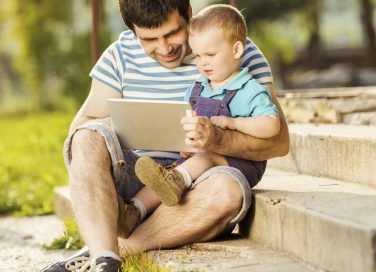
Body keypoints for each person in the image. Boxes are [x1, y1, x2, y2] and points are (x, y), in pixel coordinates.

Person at [40, 0, 289, 271]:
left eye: (172, 33)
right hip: (136, 178)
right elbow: (81, 130)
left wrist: (218, 139)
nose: (164, 47)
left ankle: (104, 256)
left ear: (189, 14)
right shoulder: (119, 55)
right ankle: (105, 254)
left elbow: (279, 142)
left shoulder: (230, 47)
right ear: (133, 31)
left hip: (199, 184)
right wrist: (130, 121)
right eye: (149, 39)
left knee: (228, 192)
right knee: (85, 137)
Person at [134, 4, 280, 208]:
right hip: (198, 160)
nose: (203, 63)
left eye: (210, 55)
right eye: (198, 56)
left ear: (236, 49)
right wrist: (186, 146)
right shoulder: (196, 89)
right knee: (164, 174)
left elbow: (272, 126)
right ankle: (135, 209)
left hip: (240, 164)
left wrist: (235, 124)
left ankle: (175, 181)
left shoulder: (249, 89)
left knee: (205, 157)